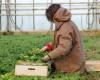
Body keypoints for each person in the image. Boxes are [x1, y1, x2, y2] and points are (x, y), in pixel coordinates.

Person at [41, 4, 85, 73]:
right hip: (75, 59)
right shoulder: (65, 22)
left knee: (52, 63)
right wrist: (48, 46)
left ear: (54, 17)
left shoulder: (65, 27)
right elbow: (61, 41)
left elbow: (64, 48)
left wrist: (49, 56)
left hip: (73, 65)